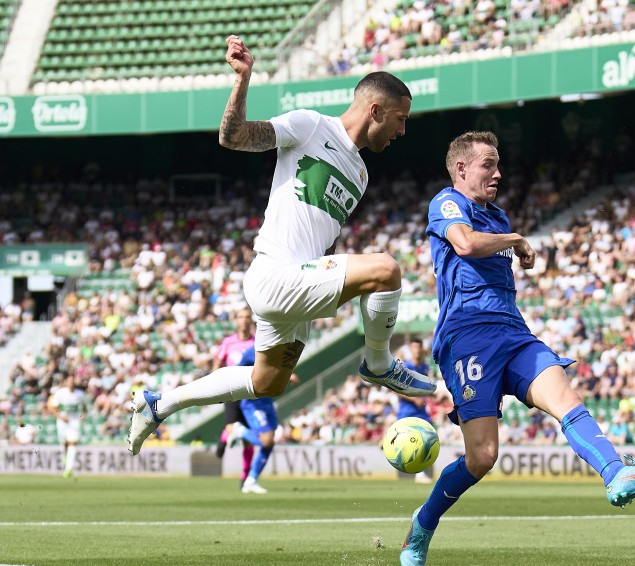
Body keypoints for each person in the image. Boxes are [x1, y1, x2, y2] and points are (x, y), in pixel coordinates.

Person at [127, 35, 436, 455]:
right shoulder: (311, 126)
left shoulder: (361, 174)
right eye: (400, 119)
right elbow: (233, 137)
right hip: (274, 275)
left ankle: (159, 404)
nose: (403, 130)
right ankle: (378, 363)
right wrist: (243, 79)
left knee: (266, 382)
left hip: (297, 282)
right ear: (375, 110)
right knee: (386, 269)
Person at [398, 131, 635, 566]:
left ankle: (615, 474)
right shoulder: (446, 203)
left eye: (498, 163)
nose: (498, 173)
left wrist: (510, 235)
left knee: (564, 396)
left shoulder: (497, 214)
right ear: (462, 169)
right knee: (482, 457)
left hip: (513, 333)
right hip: (466, 338)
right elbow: (465, 244)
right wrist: (514, 238)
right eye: (488, 164)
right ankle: (423, 523)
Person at [226, 346, 293, 494]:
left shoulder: (280, 347)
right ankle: (240, 430)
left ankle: (251, 480)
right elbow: (236, 372)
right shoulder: (252, 351)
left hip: (268, 401)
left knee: (269, 443)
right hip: (253, 402)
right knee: (267, 440)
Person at [212, 307, 256, 486]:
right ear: (236, 321)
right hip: (231, 391)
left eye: (247, 317)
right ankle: (224, 439)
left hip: (250, 394)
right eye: (241, 317)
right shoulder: (228, 342)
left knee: (247, 439)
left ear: (251, 320)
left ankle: (245, 475)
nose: (244, 320)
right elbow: (217, 363)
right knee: (232, 429)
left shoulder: (257, 343)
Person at [398, 338, 435, 483]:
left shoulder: (424, 367)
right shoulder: (405, 366)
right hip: (407, 410)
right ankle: (388, 439)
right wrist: (415, 399)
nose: (417, 350)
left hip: (421, 411)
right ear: (410, 349)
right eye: (414, 348)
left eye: (419, 347)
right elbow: (395, 389)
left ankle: (421, 474)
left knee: (428, 438)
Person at [49, 376, 89, 478]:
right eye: (69, 381)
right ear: (66, 382)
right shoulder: (60, 393)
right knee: (64, 442)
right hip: (62, 422)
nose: (71, 383)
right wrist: (60, 416)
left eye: (73, 381)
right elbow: (53, 408)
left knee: (73, 442)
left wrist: (83, 415)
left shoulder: (80, 394)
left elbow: (85, 407)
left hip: (74, 421)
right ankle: (65, 456)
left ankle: (69, 469)